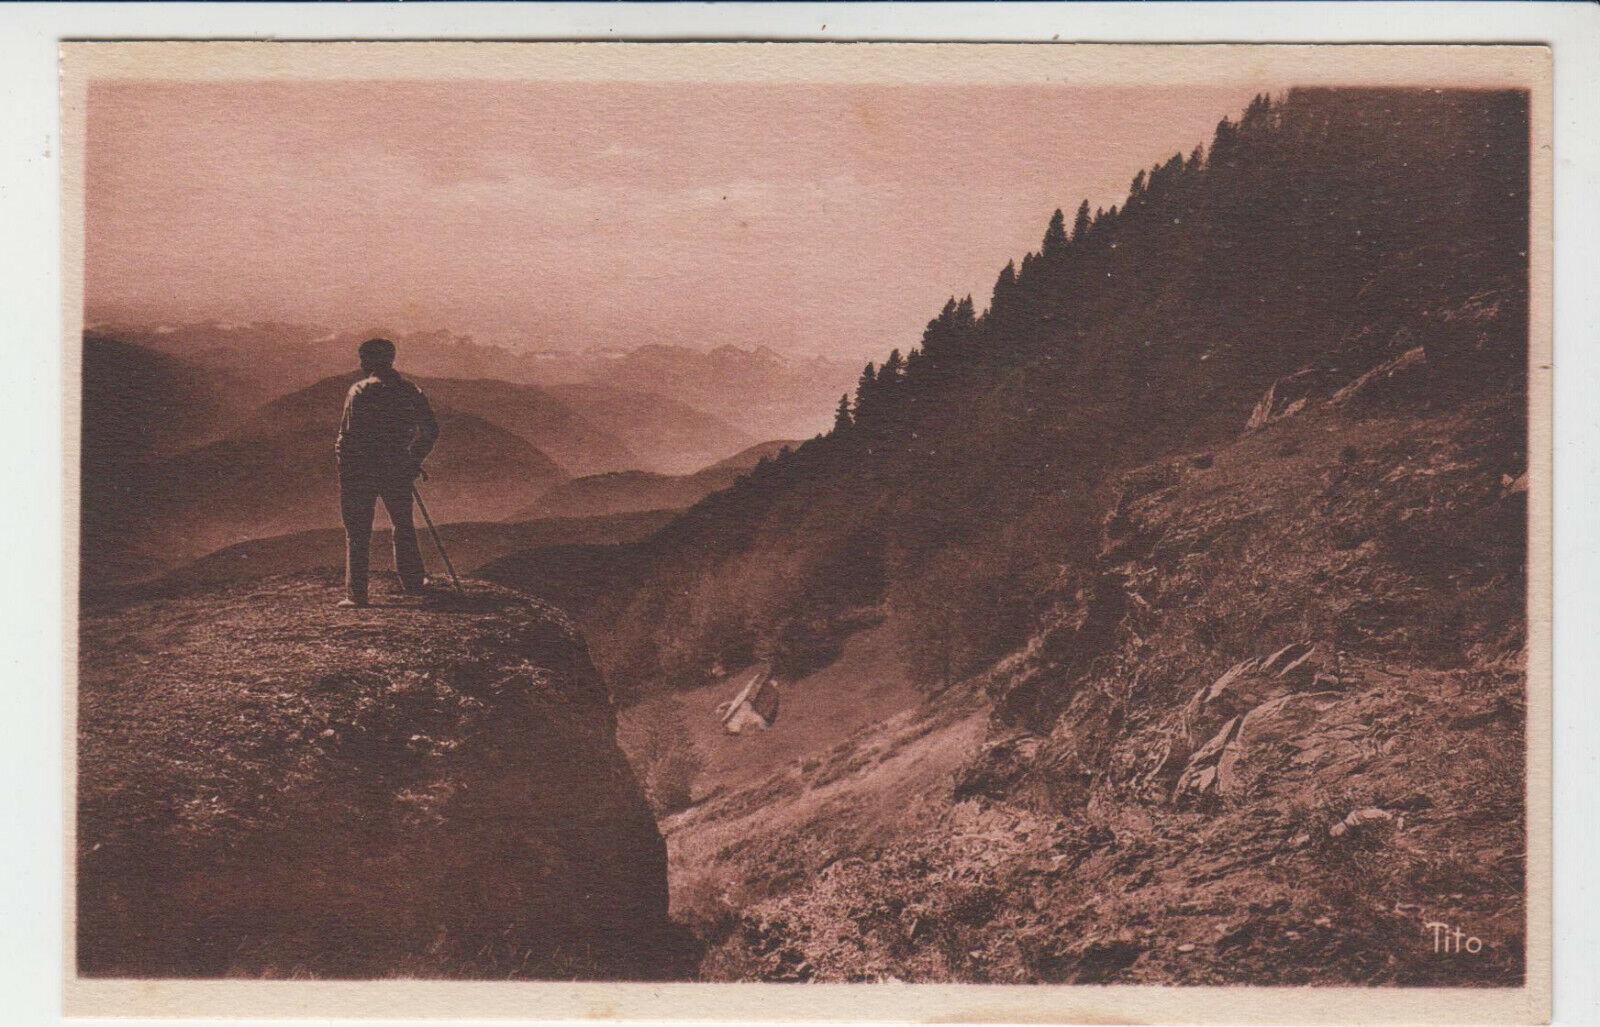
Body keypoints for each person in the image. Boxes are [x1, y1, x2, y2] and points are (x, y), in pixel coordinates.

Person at [334, 337, 439, 608]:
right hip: (397, 468)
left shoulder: (359, 391)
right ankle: (413, 582)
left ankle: (357, 594)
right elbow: (430, 430)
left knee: (357, 532)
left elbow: (347, 437)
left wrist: (346, 470)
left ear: (369, 361)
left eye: (362, 359)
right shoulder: (410, 391)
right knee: (403, 525)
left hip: (360, 470)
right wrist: (412, 459)